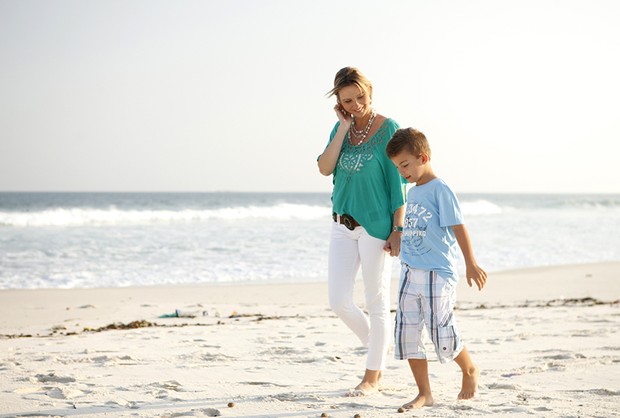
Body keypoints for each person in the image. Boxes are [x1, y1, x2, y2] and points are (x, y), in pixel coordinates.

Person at [317, 67, 406, 395]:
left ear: (371, 91)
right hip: (342, 224)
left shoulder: (389, 129)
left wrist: (398, 228)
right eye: (348, 100)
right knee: (338, 300)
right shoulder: (340, 128)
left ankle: (372, 376)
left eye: (361, 97)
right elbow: (325, 167)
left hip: (377, 228)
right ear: (339, 102)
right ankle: (378, 347)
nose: (356, 105)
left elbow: (397, 185)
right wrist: (342, 128)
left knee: (377, 301)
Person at [385, 128, 487, 410]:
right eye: (397, 167)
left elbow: (458, 227)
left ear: (423, 156)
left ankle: (468, 369)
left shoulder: (441, 189)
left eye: (405, 164)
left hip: (437, 272)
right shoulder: (412, 191)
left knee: (441, 330)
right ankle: (424, 393)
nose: (401, 171)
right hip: (409, 270)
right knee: (407, 333)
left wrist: (471, 263)